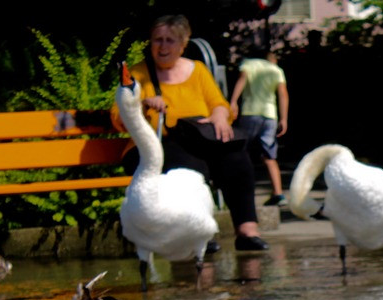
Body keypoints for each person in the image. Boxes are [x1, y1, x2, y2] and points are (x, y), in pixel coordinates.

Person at [111, 14, 268, 252]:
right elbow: (117, 116)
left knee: (237, 161)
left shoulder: (198, 71)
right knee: (187, 167)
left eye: (170, 40)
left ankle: (247, 231)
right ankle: (196, 234)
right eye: (157, 40)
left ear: (184, 44)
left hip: (200, 142)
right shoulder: (137, 74)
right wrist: (141, 105)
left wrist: (218, 114)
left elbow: (220, 104)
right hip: (151, 148)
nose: (163, 46)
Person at [229, 46, 289, 207]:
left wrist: (233, 101)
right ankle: (278, 193)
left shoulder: (248, 64)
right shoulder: (276, 70)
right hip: (270, 115)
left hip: (250, 112)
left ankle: (241, 189)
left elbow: (242, 79)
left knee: (242, 151)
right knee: (269, 156)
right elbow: (283, 94)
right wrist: (284, 118)